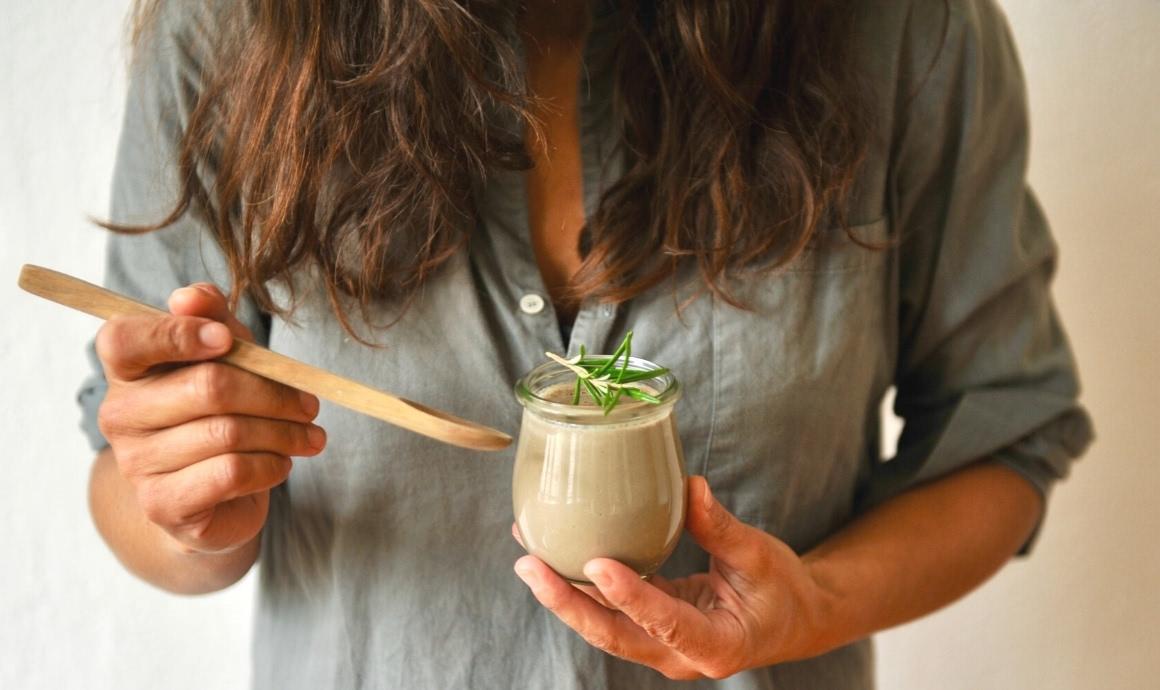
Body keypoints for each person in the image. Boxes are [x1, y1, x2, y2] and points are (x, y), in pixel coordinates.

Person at [77, 0, 1093, 687]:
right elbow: (129, 482)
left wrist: (813, 603)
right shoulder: (236, 29)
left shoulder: (901, 29)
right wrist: (183, 507)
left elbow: (1004, 431)